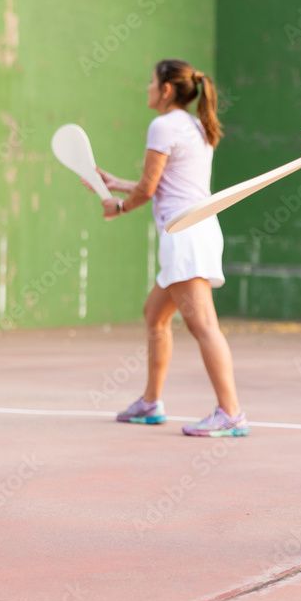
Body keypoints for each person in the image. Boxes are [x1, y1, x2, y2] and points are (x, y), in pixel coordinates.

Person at [95, 59, 249, 438]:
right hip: (196, 229)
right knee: (155, 315)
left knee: (204, 325)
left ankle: (231, 413)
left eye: (151, 82)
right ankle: (150, 403)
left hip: (185, 233)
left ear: (166, 89)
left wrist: (118, 207)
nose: (147, 88)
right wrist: (119, 183)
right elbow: (168, 182)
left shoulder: (163, 125)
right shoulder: (195, 124)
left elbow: (148, 190)